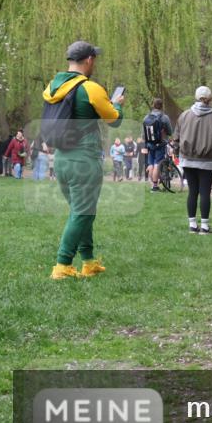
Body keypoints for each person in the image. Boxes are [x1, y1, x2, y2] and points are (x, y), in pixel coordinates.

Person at [44, 41, 124, 279]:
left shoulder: (52, 87)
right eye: (94, 59)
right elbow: (114, 120)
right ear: (89, 60)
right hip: (84, 159)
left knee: (81, 211)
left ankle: (88, 261)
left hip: (61, 159)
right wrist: (118, 105)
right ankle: (62, 265)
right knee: (83, 212)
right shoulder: (90, 88)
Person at [171, 86, 212, 234]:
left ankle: (192, 225)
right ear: (210, 98)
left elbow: (176, 137)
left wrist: (177, 152)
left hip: (187, 159)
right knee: (205, 192)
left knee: (192, 192)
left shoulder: (184, 116)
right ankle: (205, 227)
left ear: (196, 97)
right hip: (207, 160)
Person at [143, 98, 174, 192]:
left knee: (151, 164)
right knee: (157, 164)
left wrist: (146, 144)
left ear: (153, 105)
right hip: (160, 144)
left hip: (149, 144)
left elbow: (144, 133)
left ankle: (152, 185)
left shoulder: (146, 117)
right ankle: (155, 186)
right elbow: (170, 131)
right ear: (161, 106)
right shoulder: (164, 117)